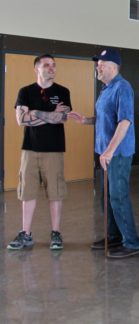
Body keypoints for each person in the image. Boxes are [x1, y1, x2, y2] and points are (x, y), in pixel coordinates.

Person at [68, 48, 139, 259]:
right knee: (106, 197)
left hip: (116, 154)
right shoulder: (106, 88)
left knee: (118, 196)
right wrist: (86, 120)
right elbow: (105, 119)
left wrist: (109, 151)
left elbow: (124, 121)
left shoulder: (123, 87)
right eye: (97, 64)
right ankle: (113, 236)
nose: (97, 67)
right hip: (104, 153)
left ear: (113, 67)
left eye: (101, 63)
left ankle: (132, 242)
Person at [7, 54, 71, 251]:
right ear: (37, 69)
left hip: (54, 150)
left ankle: (56, 233)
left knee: (55, 193)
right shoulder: (25, 91)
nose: (51, 68)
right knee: (27, 192)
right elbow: (21, 121)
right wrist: (51, 114)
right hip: (30, 150)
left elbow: (63, 118)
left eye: (53, 65)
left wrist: (34, 113)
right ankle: (25, 233)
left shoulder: (63, 91)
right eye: (46, 65)